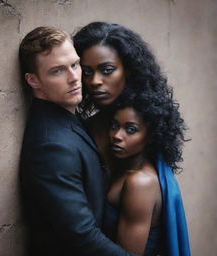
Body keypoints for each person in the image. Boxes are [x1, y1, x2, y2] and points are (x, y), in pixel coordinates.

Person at [74, 22, 191, 255]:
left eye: (107, 70)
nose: (95, 81)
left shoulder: (147, 121)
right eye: (87, 72)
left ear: (128, 69)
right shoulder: (85, 129)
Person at [19, 26, 134, 256]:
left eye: (74, 65)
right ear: (33, 80)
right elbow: (82, 238)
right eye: (58, 71)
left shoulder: (65, 116)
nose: (74, 78)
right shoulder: (51, 147)